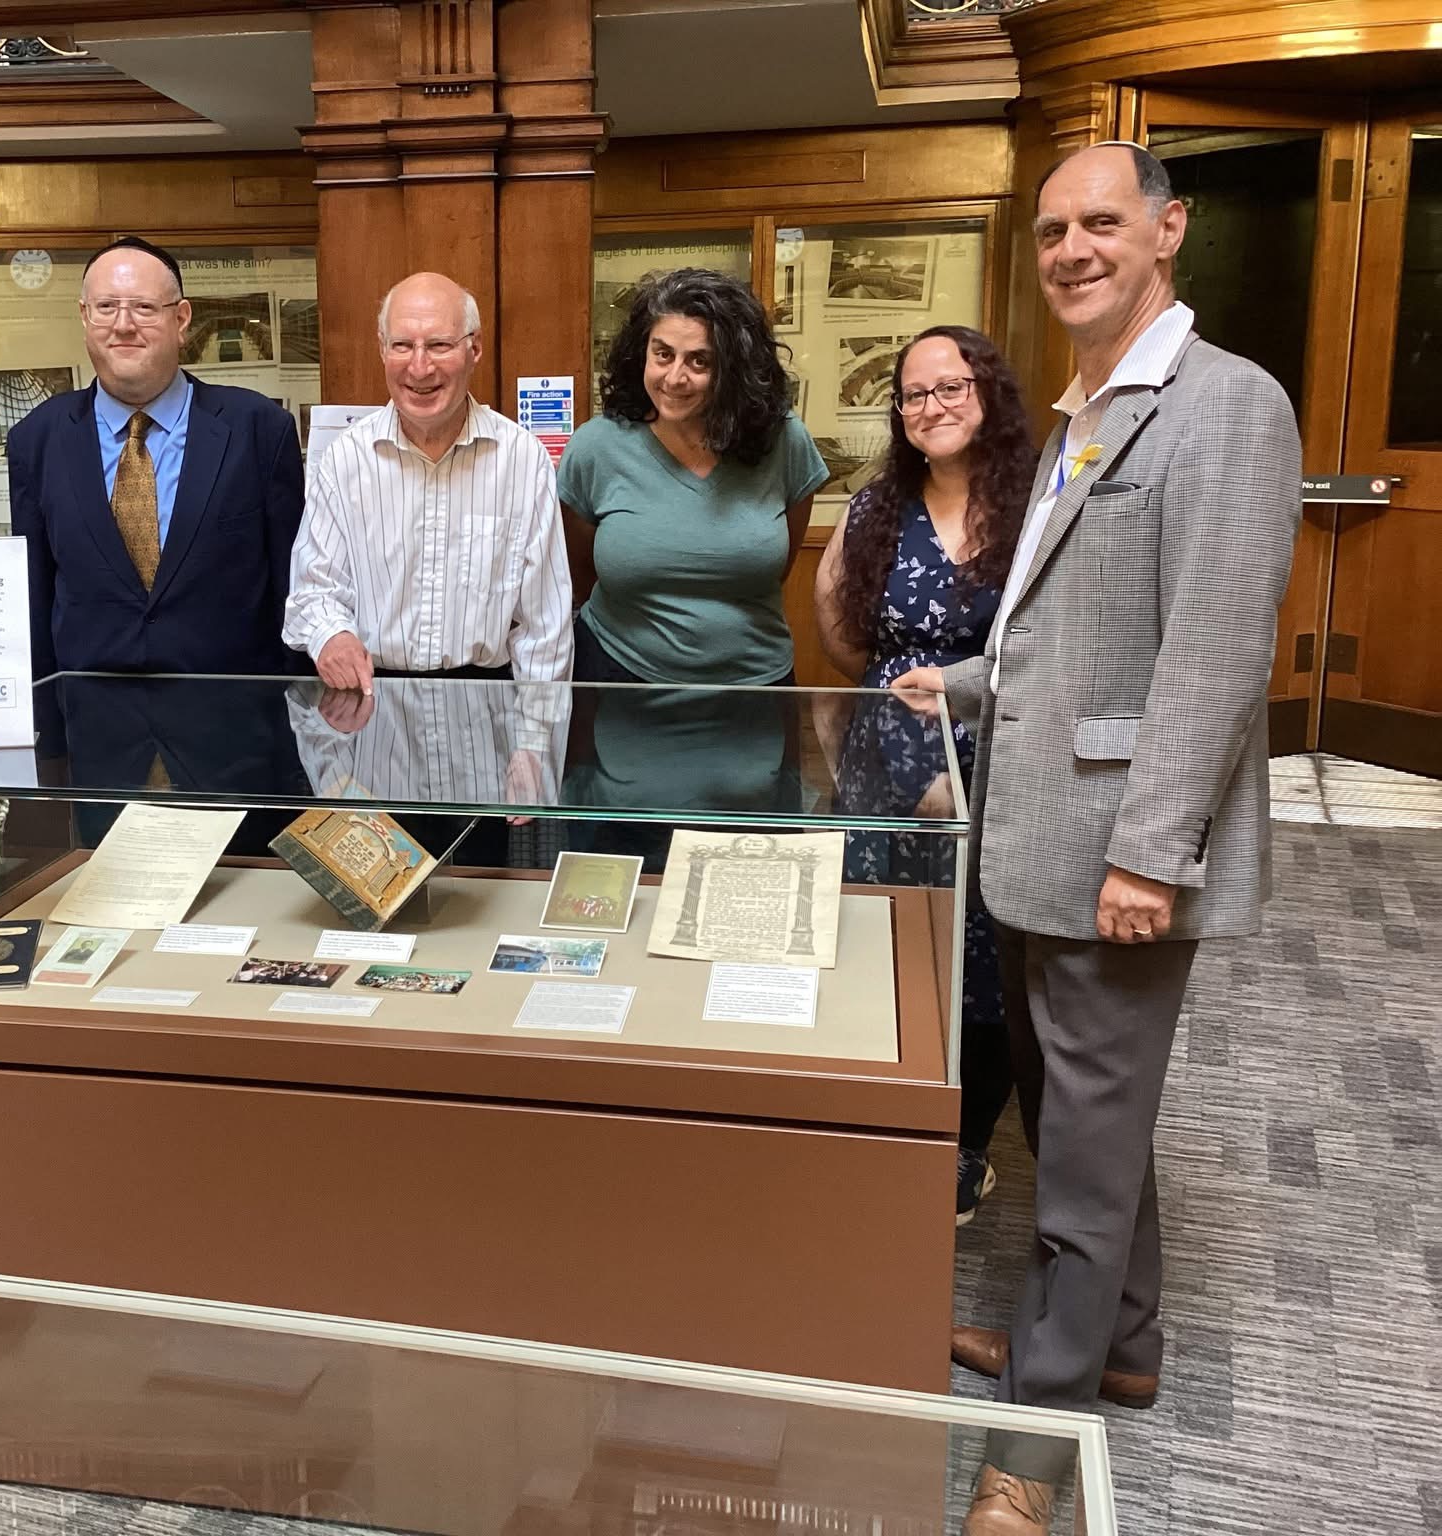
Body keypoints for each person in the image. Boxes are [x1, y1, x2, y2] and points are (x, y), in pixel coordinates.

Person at [893, 143, 1300, 1534]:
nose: (1071, 247)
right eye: (1054, 227)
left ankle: (1040, 1446)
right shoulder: (1083, 410)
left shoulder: (1225, 406)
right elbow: (1055, 634)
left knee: (1077, 1159)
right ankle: (1123, 1344)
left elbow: (1213, 654)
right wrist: (953, 683)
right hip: (1033, 838)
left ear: (1167, 231)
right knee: (1085, 1119)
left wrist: (1152, 851)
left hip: (1116, 852)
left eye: (1102, 223)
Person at [813, 325, 1031, 1224]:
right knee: (884, 941)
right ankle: (884, 1116)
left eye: (951, 388)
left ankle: (964, 1149)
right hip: (883, 756)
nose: (930, 407)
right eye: (912, 394)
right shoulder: (878, 504)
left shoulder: (1037, 504)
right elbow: (838, 618)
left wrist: (968, 772)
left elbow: (1054, 649)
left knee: (987, 964)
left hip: (997, 752)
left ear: (988, 393)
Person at [9, 235, 304, 680]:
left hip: (232, 725)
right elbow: (34, 601)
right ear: (84, 317)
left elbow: (292, 591)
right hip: (97, 729)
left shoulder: (259, 430)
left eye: (144, 308)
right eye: (106, 307)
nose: (123, 325)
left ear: (182, 319)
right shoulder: (36, 440)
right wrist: (47, 740)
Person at [283, 271, 572, 689]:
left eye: (439, 345)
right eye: (402, 345)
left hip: (488, 712)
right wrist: (332, 635)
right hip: (370, 708)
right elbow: (313, 591)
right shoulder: (345, 459)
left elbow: (545, 628)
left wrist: (534, 740)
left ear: (474, 349)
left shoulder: (521, 459)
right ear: (382, 350)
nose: (419, 367)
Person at [559, 266, 826, 687]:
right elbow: (581, 575)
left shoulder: (784, 441)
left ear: (735, 369)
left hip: (755, 690)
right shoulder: (596, 448)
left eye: (700, 360)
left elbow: (777, 566)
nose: (675, 377)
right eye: (662, 354)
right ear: (641, 352)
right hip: (619, 681)